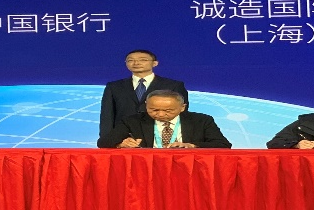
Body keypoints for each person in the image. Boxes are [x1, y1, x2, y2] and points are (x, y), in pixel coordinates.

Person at [99, 49, 189, 139]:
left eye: (143, 60)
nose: (136, 63)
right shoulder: (114, 86)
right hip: (124, 136)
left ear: (155, 63)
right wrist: (107, 139)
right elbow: (107, 115)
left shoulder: (173, 85)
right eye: (130, 60)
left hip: (160, 136)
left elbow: (182, 113)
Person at [98, 90, 231, 149]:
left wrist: (192, 145)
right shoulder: (133, 121)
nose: (160, 114)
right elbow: (103, 142)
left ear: (182, 107)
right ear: (146, 105)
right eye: (154, 110)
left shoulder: (201, 120)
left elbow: (223, 145)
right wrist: (121, 144)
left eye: (168, 111)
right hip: (147, 168)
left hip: (188, 167)